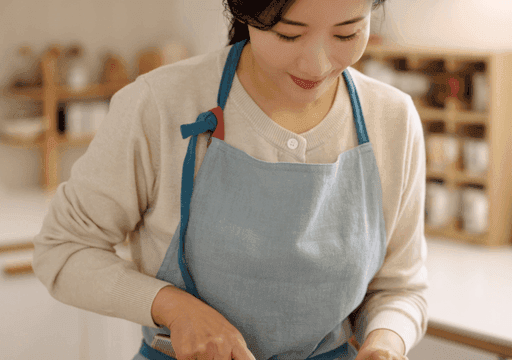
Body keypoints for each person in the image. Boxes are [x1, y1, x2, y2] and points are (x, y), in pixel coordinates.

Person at [32, 0, 428, 359]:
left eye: (347, 33)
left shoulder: (391, 118)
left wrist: (385, 342)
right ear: (247, 13)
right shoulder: (160, 103)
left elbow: (399, 288)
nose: (316, 64)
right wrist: (174, 307)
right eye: (288, 34)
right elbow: (63, 250)